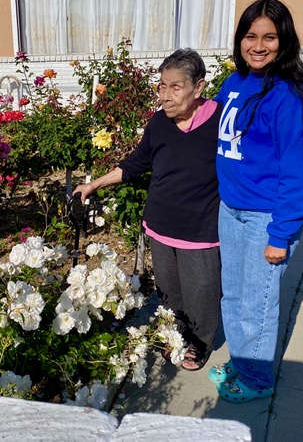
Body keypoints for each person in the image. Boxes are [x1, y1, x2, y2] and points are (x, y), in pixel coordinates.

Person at [74, 48, 223, 371]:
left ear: (198, 87)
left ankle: (200, 343)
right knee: (169, 292)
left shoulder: (220, 122)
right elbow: (135, 163)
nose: (165, 97)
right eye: (161, 86)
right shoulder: (159, 122)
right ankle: (175, 334)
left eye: (175, 87)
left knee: (202, 292)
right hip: (160, 225)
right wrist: (93, 184)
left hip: (200, 231)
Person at [209, 0, 303, 402]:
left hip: (264, 219)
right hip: (231, 209)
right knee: (234, 295)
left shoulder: (289, 98)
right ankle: (243, 363)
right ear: (240, 39)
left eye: (270, 37)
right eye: (251, 36)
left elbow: (302, 173)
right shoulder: (234, 83)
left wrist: (281, 233)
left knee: (257, 303)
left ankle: (257, 380)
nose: (259, 45)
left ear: (284, 41)